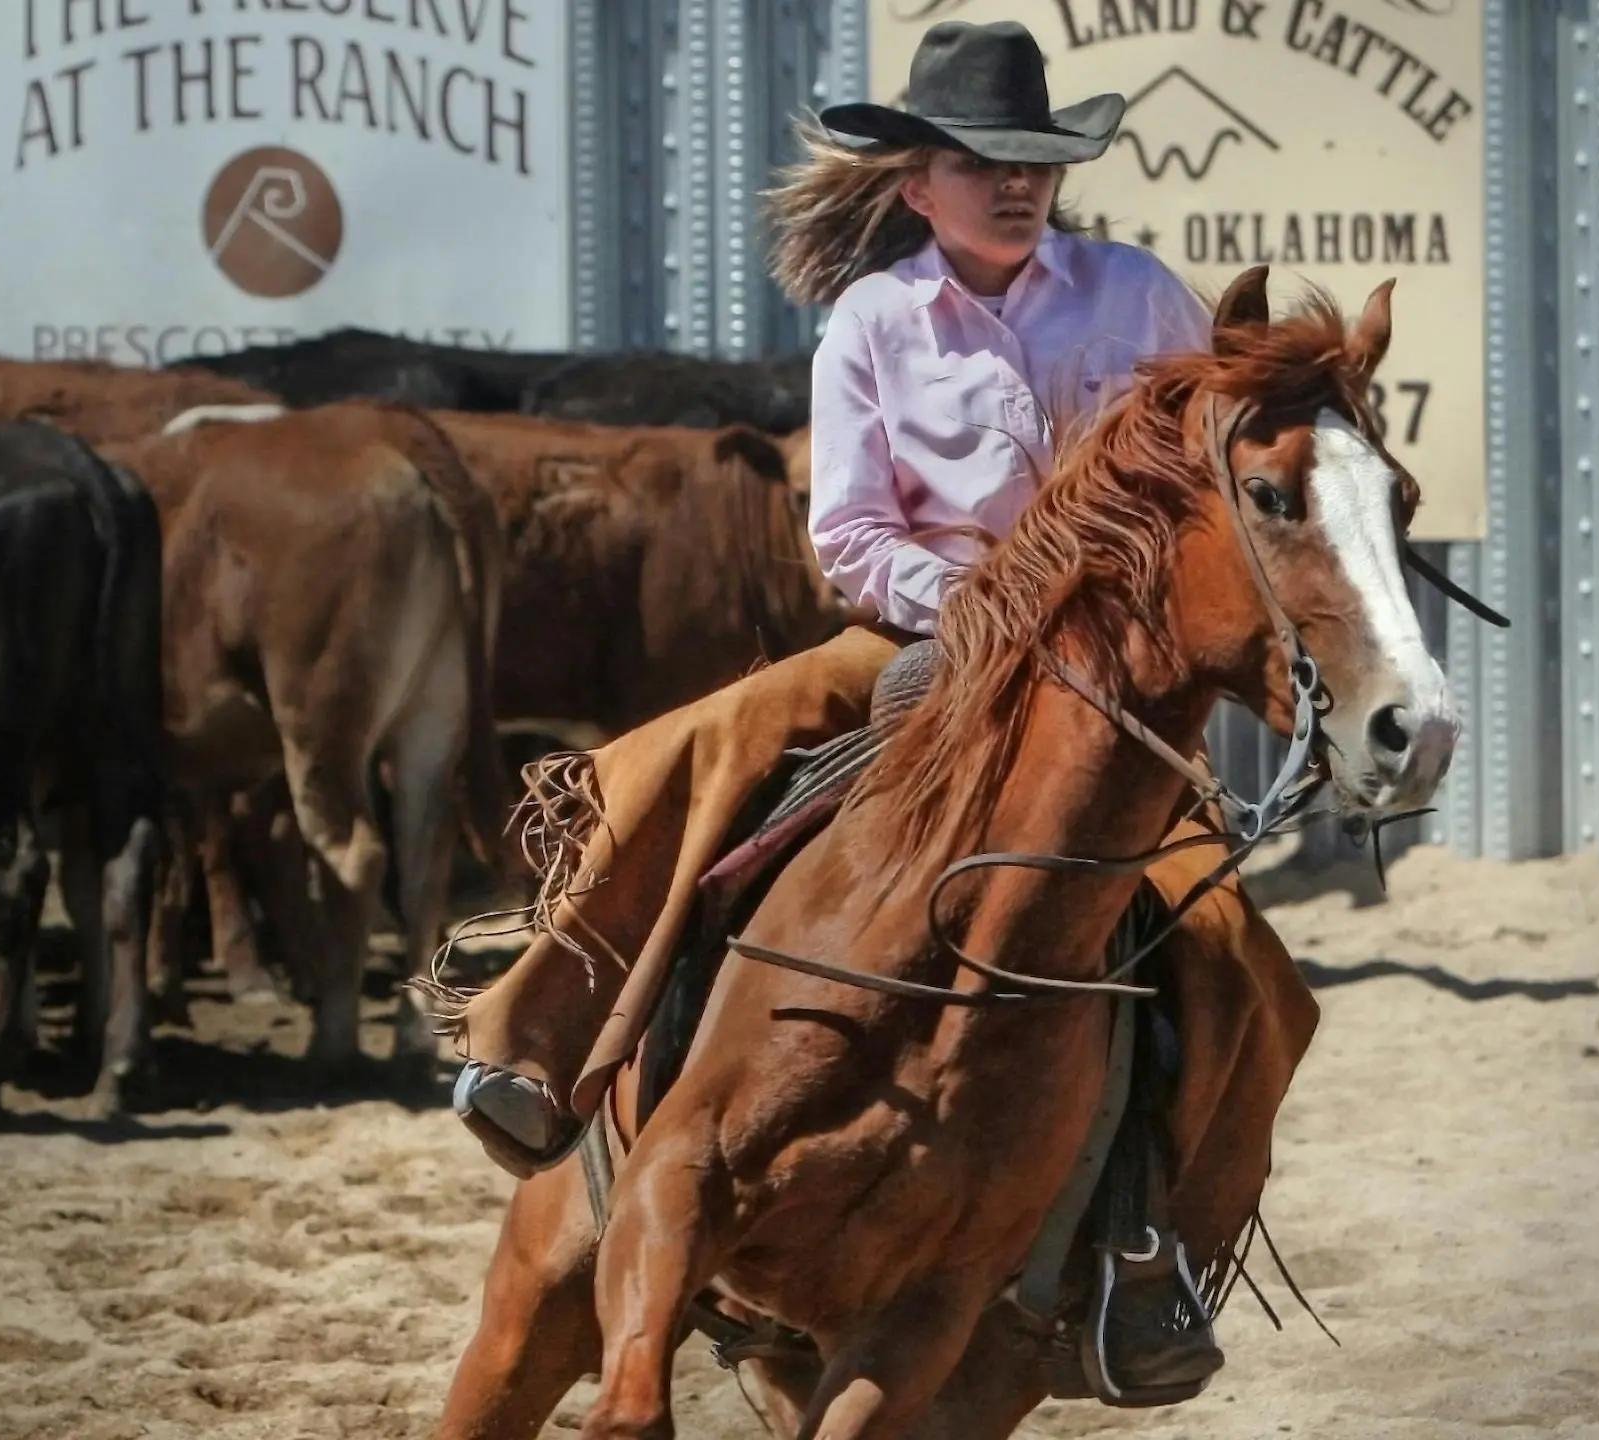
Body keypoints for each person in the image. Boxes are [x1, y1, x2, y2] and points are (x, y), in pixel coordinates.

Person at [442, 18, 1224, 1397]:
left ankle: (1141, 1245)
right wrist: (978, 609)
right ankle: (550, 1026)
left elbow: (1215, 478)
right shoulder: (874, 320)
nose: (1015, 182)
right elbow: (849, 533)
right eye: (981, 162)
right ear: (918, 186)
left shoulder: (1142, 297)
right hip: (925, 640)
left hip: (1107, 678)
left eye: (1034, 160)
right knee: (730, 741)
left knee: (1217, 936)